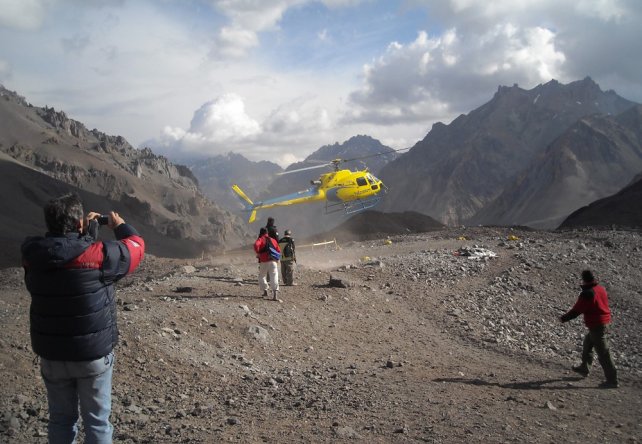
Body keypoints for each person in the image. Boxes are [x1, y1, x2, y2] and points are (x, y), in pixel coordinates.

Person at [21, 193, 145, 443]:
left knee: (60, 420)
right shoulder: (100, 256)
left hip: (52, 355)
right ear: (79, 223)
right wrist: (119, 226)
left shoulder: (33, 256)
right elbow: (136, 247)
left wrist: (86, 237)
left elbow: (65, 254)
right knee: (97, 422)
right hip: (92, 356)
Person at [560, 269, 618, 388]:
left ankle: (612, 380)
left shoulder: (588, 293)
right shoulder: (600, 289)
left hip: (597, 325)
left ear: (584, 279)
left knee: (603, 352)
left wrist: (563, 318)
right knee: (587, 343)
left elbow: (577, 310)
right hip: (602, 322)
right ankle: (584, 367)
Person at [254, 227, 281, 301]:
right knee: (274, 276)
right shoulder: (273, 240)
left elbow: (256, 245)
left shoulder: (261, 239)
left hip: (264, 261)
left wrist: (258, 253)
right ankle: (275, 295)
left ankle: (265, 291)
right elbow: (278, 250)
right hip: (273, 261)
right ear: (267, 232)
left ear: (261, 233)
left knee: (262, 276)